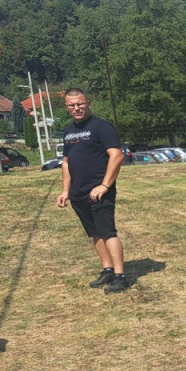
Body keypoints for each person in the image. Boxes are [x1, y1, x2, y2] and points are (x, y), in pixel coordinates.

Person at [56, 88, 129, 294]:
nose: (77, 108)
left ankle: (120, 276)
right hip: (78, 193)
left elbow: (116, 156)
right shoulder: (69, 131)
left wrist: (105, 185)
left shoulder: (102, 127)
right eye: (72, 105)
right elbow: (66, 163)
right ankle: (108, 270)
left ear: (87, 103)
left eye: (80, 104)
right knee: (95, 233)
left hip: (99, 191)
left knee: (107, 232)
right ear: (67, 107)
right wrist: (65, 191)